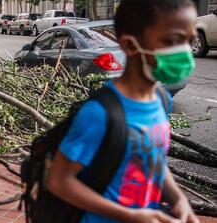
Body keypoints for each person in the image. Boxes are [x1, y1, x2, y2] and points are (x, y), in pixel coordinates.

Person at [47, 0, 200, 223]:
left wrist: (179, 199)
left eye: (190, 41)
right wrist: (129, 215)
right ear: (130, 45)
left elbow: (154, 161)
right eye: (172, 41)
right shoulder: (99, 113)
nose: (185, 51)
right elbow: (59, 181)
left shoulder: (161, 100)